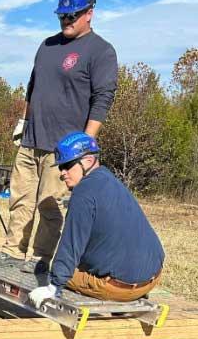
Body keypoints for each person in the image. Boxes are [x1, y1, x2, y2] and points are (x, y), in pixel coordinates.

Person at [0, 0, 118, 274]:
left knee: (50, 206)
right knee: (20, 199)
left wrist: (86, 144)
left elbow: (103, 99)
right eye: (62, 15)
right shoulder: (47, 46)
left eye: (72, 15)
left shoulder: (101, 51)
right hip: (31, 139)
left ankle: (41, 259)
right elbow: (33, 89)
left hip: (64, 148)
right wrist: (24, 122)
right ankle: (13, 251)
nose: (66, 20)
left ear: (90, 13)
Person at [28, 132, 164, 308]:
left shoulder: (83, 192)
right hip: (153, 277)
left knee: (49, 270)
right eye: (61, 167)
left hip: (119, 287)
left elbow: (71, 244)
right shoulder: (109, 179)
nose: (62, 173)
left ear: (88, 161)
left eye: (67, 165)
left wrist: (54, 286)